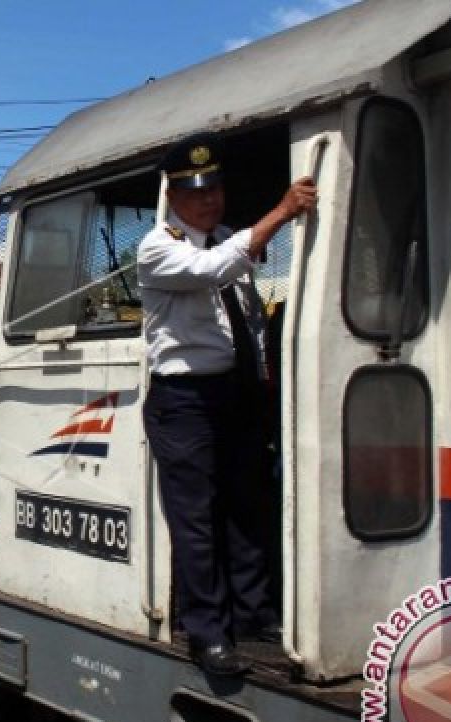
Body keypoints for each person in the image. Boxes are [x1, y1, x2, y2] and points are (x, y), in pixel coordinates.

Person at [138, 133, 316, 675]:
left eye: (214, 187)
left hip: (232, 393)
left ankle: (253, 614)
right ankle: (208, 633)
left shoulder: (229, 240)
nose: (208, 198)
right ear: (174, 194)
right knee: (196, 520)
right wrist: (282, 211)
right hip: (184, 397)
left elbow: (243, 296)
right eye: (196, 191)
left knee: (246, 507)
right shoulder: (159, 247)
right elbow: (215, 268)